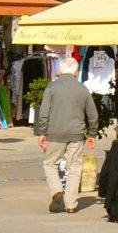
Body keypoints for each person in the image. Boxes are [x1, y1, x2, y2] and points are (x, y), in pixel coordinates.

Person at [35, 56, 99, 214]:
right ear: (76, 72)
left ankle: (57, 190)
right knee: (74, 167)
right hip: (76, 133)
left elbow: (44, 112)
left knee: (50, 164)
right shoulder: (82, 89)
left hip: (54, 133)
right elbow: (93, 114)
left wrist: (42, 132)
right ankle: (71, 204)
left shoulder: (51, 87)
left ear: (59, 71)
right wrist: (92, 134)